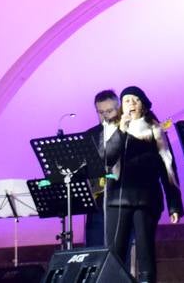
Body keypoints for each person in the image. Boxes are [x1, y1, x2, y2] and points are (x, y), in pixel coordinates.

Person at [103, 86, 183, 283]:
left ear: (144, 105)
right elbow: (107, 158)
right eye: (126, 100)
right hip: (117, 201)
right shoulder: (112, 129)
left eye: (135, 100)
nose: (130, 104)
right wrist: (121, 130)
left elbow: (168, 168)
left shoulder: (157, 131)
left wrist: (175, 204)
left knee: (145, 251)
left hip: (146, 199)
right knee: (115, 252)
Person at [80, 89, 121, 248]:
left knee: (119, 255)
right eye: (100, 112)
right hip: (98, 204)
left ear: (119, 109)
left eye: (109, 111)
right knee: (94, 251)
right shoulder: (90, 135)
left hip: (121, 202)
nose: (105, 116)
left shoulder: (129, 133)